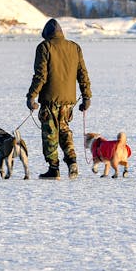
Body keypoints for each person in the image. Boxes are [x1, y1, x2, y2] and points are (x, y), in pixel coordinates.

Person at [26, 18, 91, 179]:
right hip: (68, 101)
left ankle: (53, 168)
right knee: (64, 131)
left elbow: (41, 75)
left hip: (49, 99)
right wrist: (86, 96)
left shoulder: (44, 47)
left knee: (50, 133)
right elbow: (82, 74)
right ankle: (72, 162)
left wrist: (32, 96)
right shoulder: (74, 47)